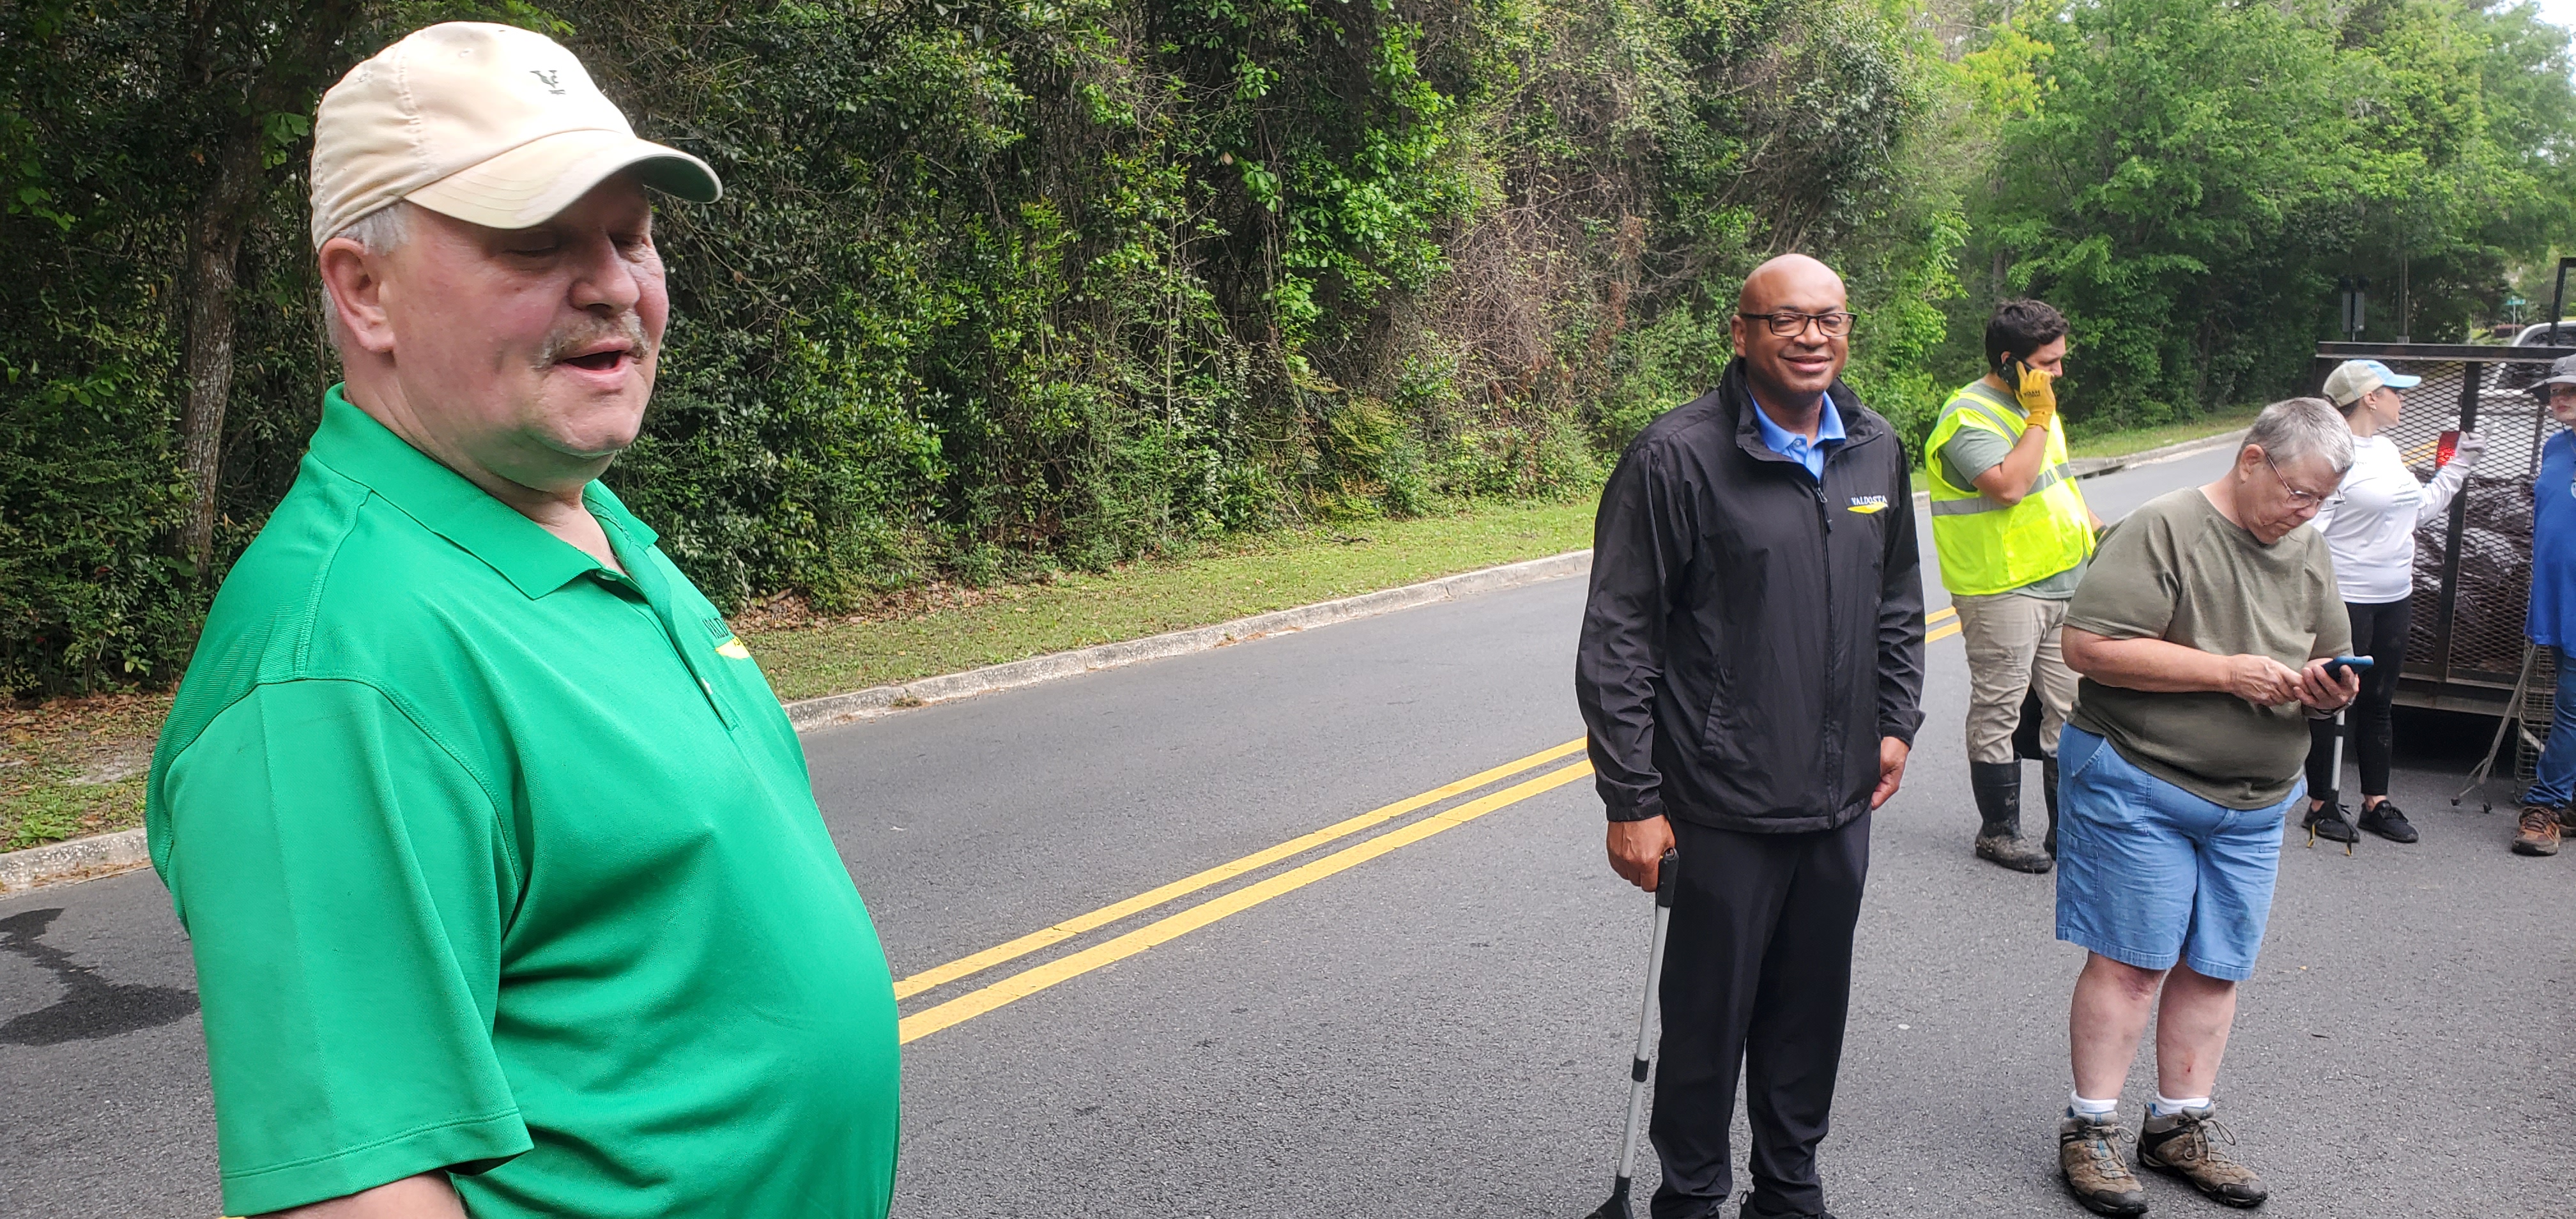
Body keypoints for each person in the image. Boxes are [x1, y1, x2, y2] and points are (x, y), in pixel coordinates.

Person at [143, 24, 899, 1218]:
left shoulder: (579, 517)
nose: (610, 282)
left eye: (629, 234)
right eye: (535, 242)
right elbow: (356, 1189)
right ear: (364, 288)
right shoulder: (335, 665)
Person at [1576, 253, 1926, 1219]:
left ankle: (1789, 1185)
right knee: (1707, 1019)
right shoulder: (1676, 458)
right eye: (1786, 320)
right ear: (1741, 333)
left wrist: (1896, 720)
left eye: (1829, 319)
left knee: (1810, 1014)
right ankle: (1690, 1194)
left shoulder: (1874, 446)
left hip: (1839, 797)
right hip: (1719, 799)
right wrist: (1633, 799)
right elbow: (1619, 637)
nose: (1812, 336)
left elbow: (1896, 599)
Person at [2048, 399, 2359, 1216]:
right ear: (2252, 459)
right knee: (2131, 960)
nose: (2304, 513)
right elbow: (2087, 647)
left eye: (2321, 501)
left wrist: (2333, 685)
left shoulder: (2307, 546)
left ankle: (2180, 1124)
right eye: (2297, 492)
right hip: (2143, 779)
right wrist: (2225, 673)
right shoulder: (2166, 526)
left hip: (2256, 803)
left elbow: (2326, 649)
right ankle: (2090, 1129)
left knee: (2217, 965)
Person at [1924, 299, 2104, 873]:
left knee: (2071, 708)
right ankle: (1998, 831)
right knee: (2000, 708)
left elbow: (2061, 489)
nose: (2058, 374)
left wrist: (2110, 539)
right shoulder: (1967, 416)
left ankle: (2065, 832)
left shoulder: (2038, 410)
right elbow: (2009, 487)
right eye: (2047, 364)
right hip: (2001, 589)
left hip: (2064, 582)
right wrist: (2038, 418)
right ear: (2011, 362)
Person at [2301, 359, 2485, 845]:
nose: (2403, 399)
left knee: (2380, 701)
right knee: (2332, 702)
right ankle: (2320, 803)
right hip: (2347, 599)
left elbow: (2417, 512)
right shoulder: (2332, 456)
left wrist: (2460, 465)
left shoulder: (2385, 449)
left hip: (2393, 595)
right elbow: (2308, 535)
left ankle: (2375, 804)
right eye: (2395, 391)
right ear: (2369, 399)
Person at [2513, 354, 2576, 855]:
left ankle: (2547, 805)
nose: (2559, 397)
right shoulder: (2557, 447)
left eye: (2571, 390)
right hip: (2559, 602)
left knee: (2572, 709)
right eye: (2556, 390)